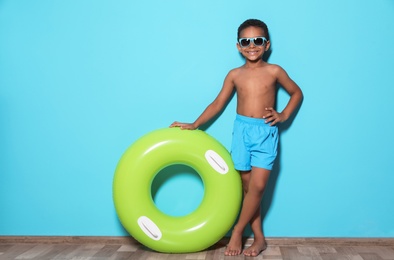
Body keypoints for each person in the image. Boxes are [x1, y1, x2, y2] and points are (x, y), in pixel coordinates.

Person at [170, 19, 303, 257]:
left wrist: (283, 115)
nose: (252, 45)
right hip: (242, 132)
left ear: (267, 44)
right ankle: (259, 238)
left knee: (259, 187)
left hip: (264, 132)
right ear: (239, 46)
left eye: (258, 40)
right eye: (246, 41)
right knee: (248, 188)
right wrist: (195, 124)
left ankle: (237, 231)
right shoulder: (234, 75)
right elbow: (218, 103)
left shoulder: (275, 71)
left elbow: (296, 92)